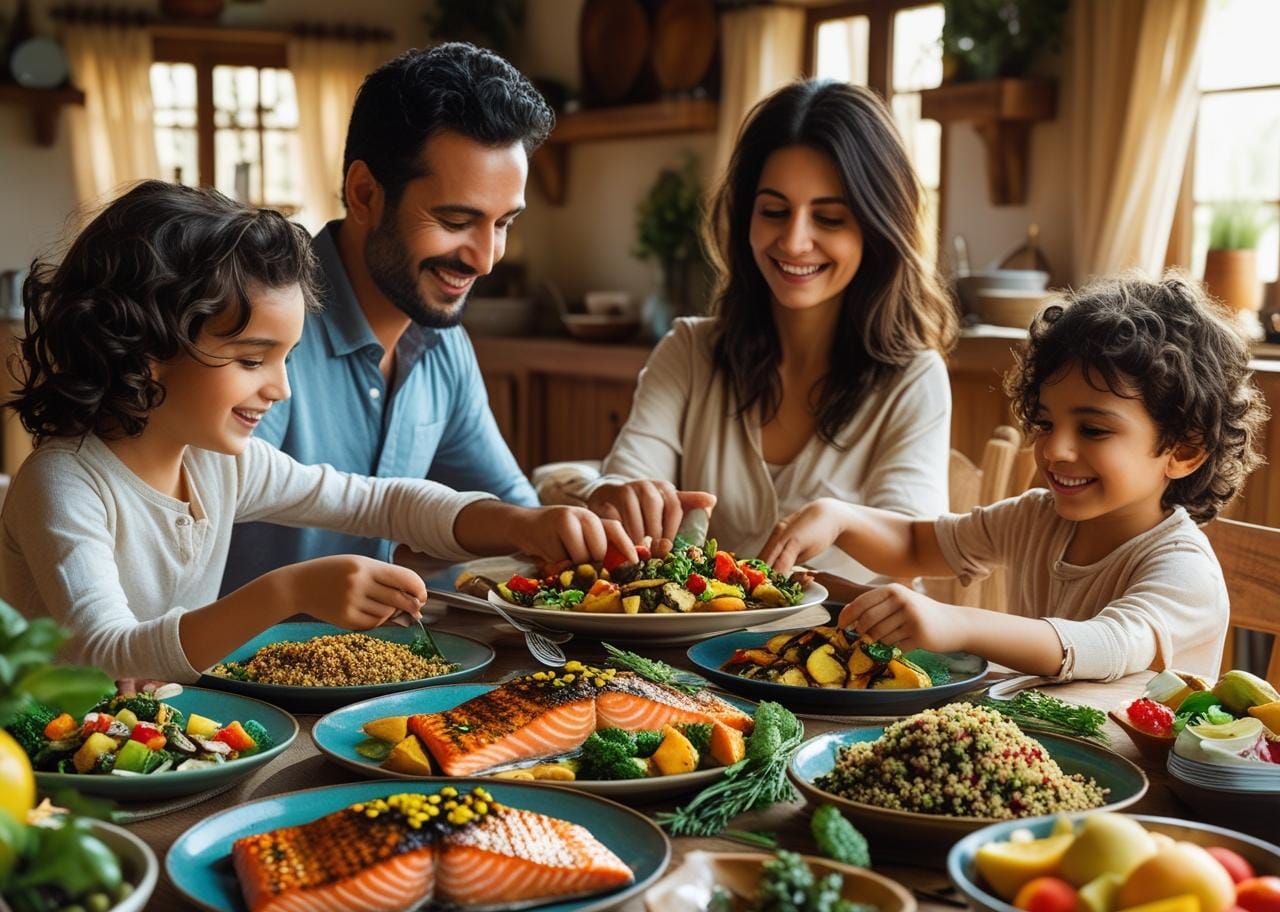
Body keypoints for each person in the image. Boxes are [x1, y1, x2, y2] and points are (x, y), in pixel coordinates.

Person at [0, 182, 634, 681]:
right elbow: (106, 653)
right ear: (145, 351)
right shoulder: (65, 482)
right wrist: (289, 590)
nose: (281, 388)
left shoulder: (219, 465)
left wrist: (523, 523)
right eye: (252, 360)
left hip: (170, 749)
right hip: (50, 776)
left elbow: (380, 500)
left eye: (285, 357)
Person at [761, 273, 1267, 681]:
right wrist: (839, 518)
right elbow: (917, 546)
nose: (1054, 448)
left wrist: (956, 622)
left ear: (1184, 450)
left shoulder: (1184, 570)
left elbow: (1108, 644)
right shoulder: (1036, 518)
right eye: (1045, 422)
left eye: (1092, 429)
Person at [544, 80, 956, 580]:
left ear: (876, 227)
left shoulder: (912, 378)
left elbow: (910, 551)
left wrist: (841, 521)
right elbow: (630, 483)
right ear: (746, 218)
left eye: (828, 218)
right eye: (774, 211)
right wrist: (615, 496)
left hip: (843, 650)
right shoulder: (689, 352)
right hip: (681, 657)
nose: (795, 240)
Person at [221, 43, 550, 594]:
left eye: (503, 223)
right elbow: (194, 505)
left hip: (398, 670)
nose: (485, 258)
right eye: (456, 219)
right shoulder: (256, 330)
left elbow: (517, 521)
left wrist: (574, 523)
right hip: (228, 674)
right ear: (365, 193)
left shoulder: (443, 344)